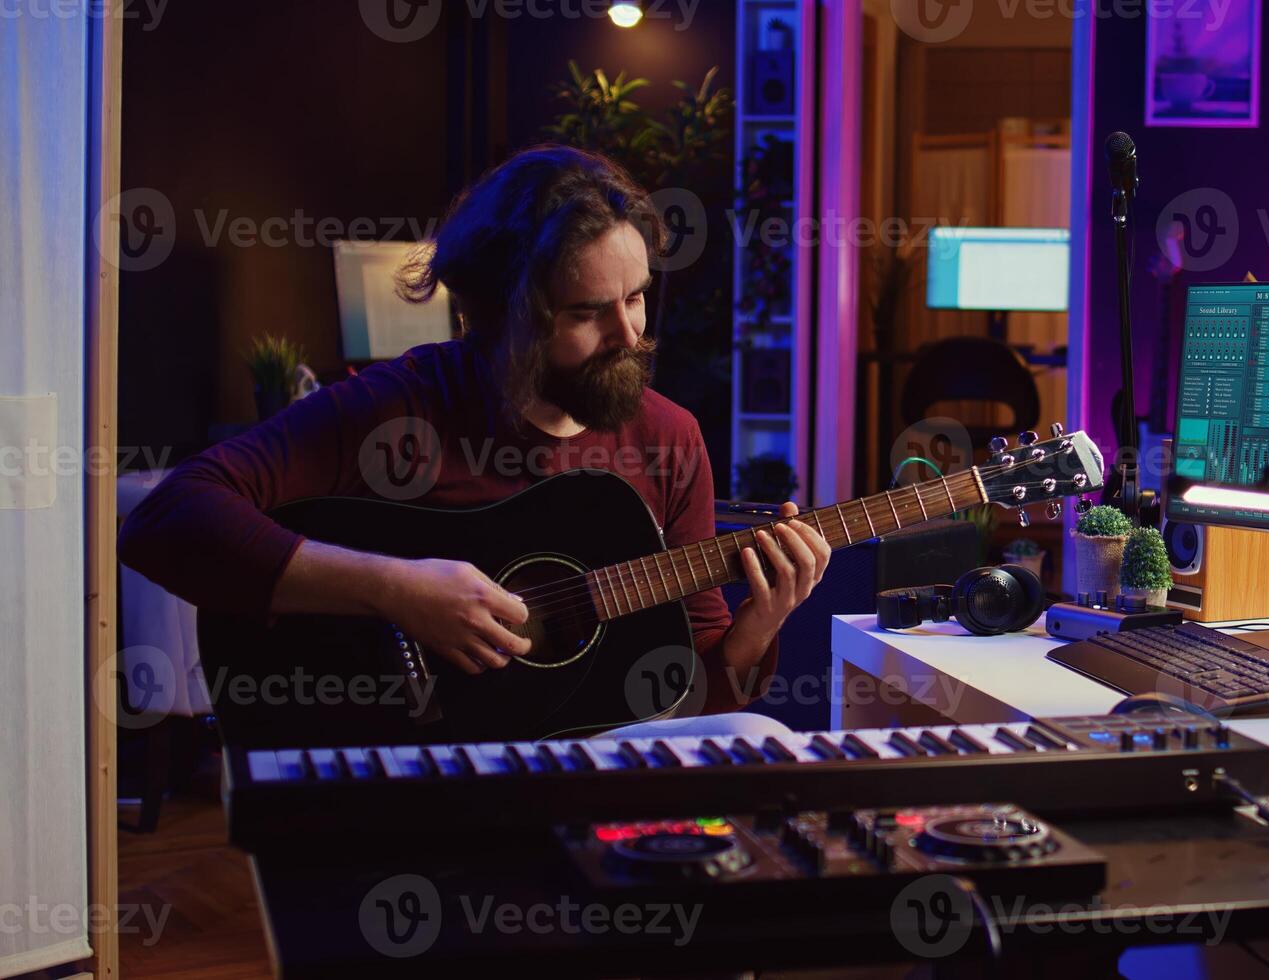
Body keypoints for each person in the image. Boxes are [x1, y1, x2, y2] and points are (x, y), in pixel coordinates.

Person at [118, 145, 827, 740]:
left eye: (636, 297)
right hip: (398, 765)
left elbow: (691, 701)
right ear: (499, 312)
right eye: (587, 312)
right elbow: (166, 519)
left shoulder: (669, 437)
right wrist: (394, 591)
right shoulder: (398, 408)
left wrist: (758, 626)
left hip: (575, 766)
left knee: (756, 741)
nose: (630, 334)